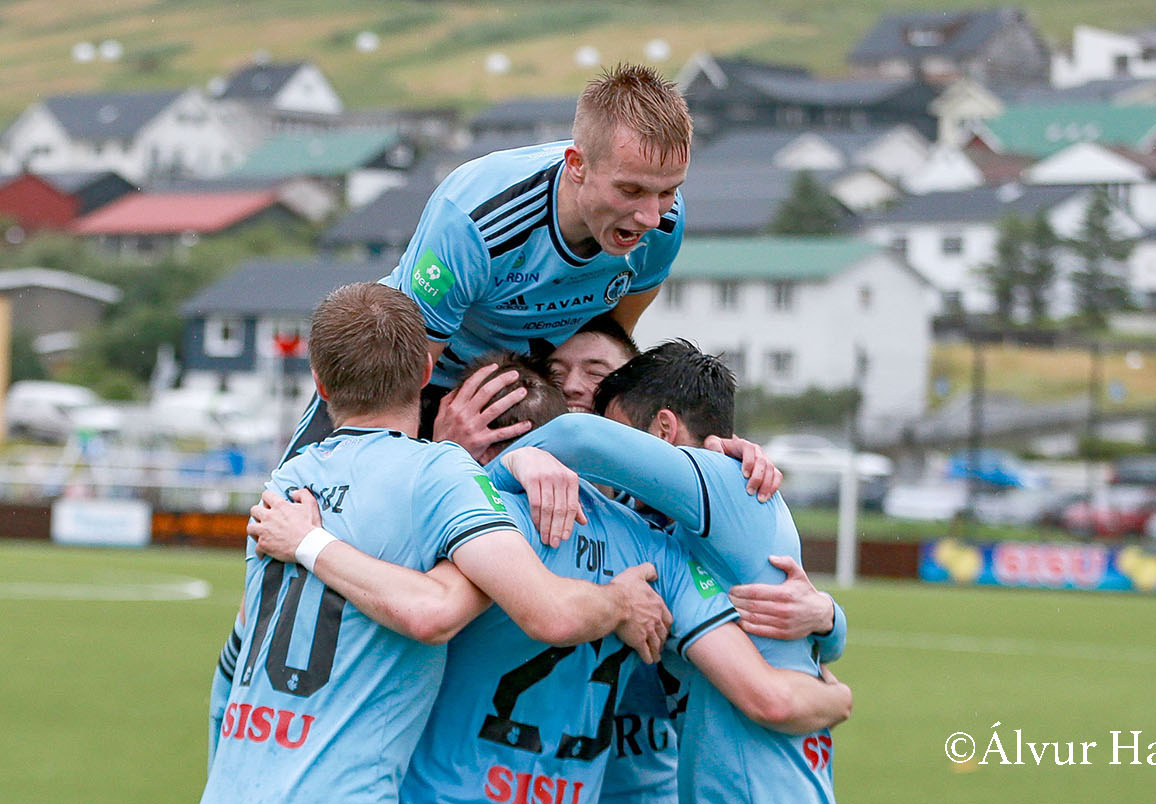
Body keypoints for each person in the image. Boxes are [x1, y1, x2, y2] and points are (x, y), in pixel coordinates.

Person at [247, 353, 852, 804]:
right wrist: (834, 655)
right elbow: (758, 682)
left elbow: (431, 606)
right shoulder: (661, 554)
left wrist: (314, 537)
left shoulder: (480, 531)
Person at [201, 284, 670, 804]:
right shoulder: (439, 475)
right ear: (427, 371)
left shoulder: (288, 481)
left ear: (320, 383)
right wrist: (620, 601)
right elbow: (527, 613)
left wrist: (514, 459)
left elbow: (235, 658)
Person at [486, 341, 847, 804]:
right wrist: (831, 621)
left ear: (662, 430)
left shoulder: (725, 480)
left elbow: (578, 436)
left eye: (620, 432)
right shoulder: (676, 531)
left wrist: (496, 470)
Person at [284, 63, 691, 459]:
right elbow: (405, 376)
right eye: (630, 191)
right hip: (403, 373)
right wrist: (440, 452)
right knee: (304, 498)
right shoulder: (474, 222)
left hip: (520, 389)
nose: (650, 217)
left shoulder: (664, 224)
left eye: (667, 192)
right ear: (577, 165)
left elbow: (609, 340)